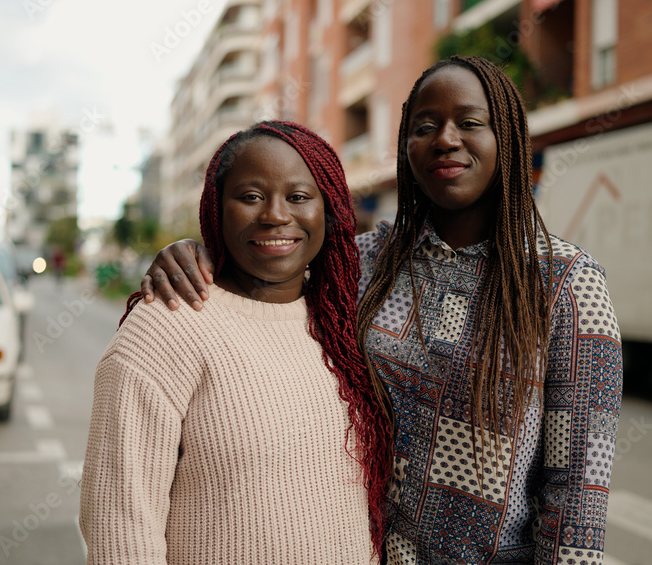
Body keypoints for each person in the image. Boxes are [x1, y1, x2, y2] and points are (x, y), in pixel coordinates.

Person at [139, 56, 623, 565]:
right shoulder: (364, 263)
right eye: (425, 126)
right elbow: (266, 272)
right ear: (404, 146)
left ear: (507, 136)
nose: (445, 139)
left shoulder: (565, 284)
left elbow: (576, 498)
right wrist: (198, 251)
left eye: (470, 122)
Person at [78, 121, 390, 564]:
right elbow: (119, 528)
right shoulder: (163, 327)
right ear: (215, 209)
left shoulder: (344, 323)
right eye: (250, 196)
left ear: (330, 211)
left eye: (299, 197)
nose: (276, 215)